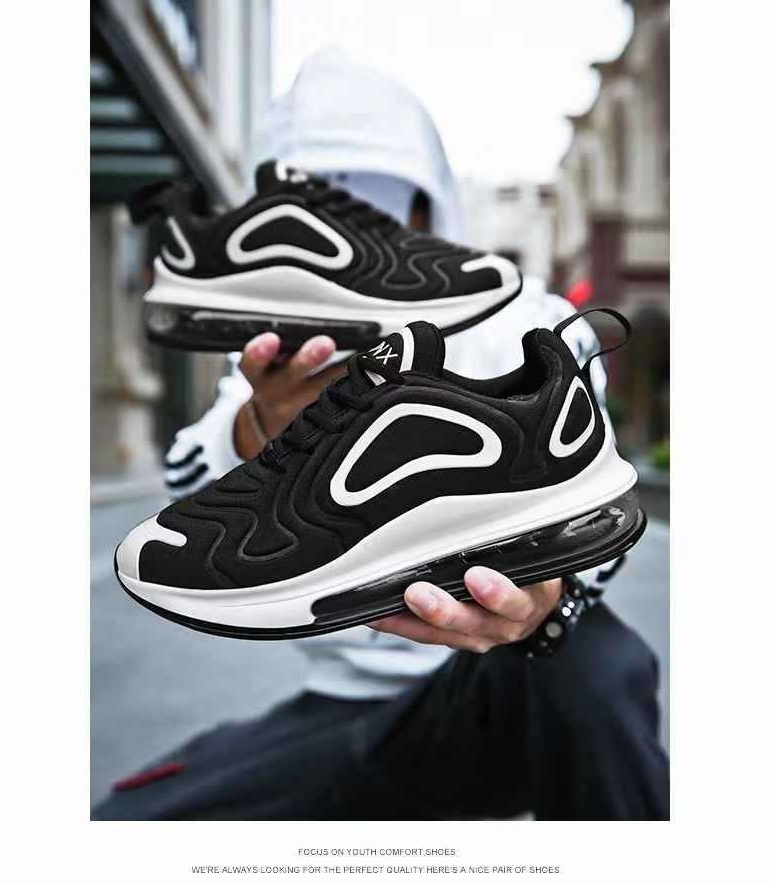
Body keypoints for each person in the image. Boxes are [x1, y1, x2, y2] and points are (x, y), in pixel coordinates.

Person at [93, 48, 669, 820]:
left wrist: (547, 602)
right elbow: (189, 482)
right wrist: (268, 424)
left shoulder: (529, 319)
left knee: (596, 662)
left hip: (498, 692)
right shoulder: (284, 341)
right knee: (125, 827)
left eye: (379, 204)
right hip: (342, 716)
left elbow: (594, 529)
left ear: (430, 210)